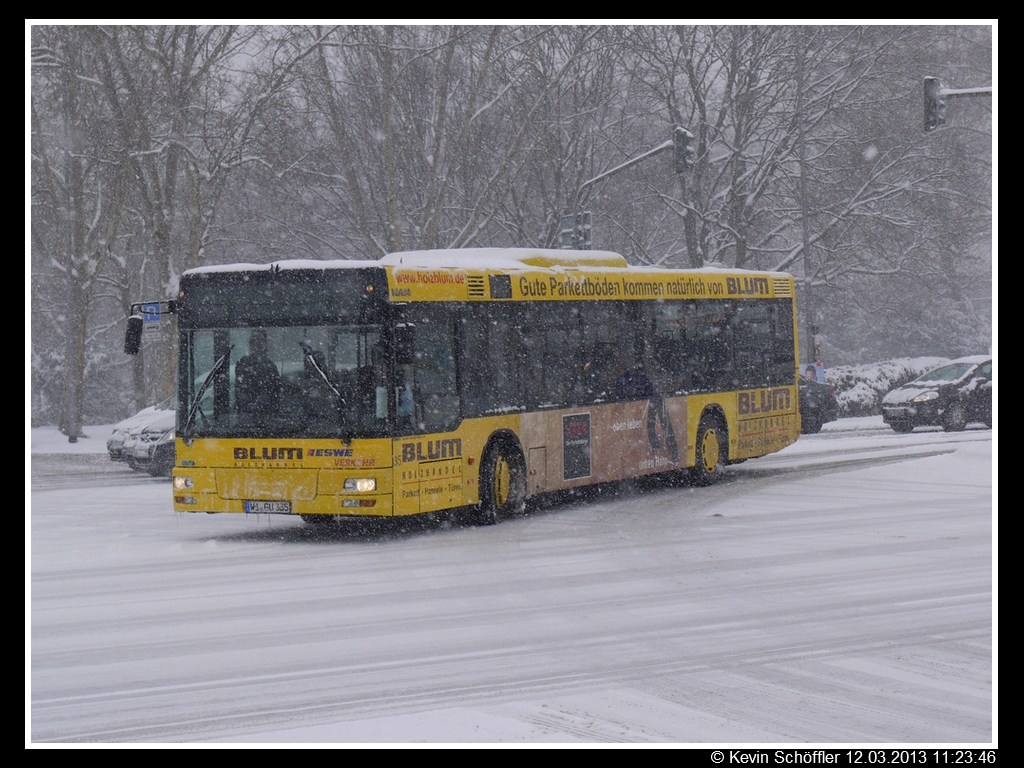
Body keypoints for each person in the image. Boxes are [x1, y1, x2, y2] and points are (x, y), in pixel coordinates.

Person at [235, 329, 281, 424]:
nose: (260, 347)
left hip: (269, 415)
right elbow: (240, 389)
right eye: (257, 343)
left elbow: (277, 388)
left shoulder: (271, 365)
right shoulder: (243, 364)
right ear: (251, 346)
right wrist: (256, 398)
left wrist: (268, 395)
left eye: (262, 343)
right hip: (247, 415)